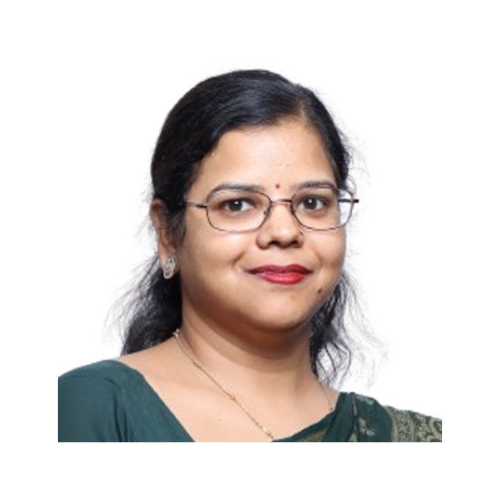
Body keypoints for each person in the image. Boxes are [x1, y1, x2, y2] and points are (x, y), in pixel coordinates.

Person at [58, 69, 442, 442]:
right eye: (237, 204)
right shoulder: (93, 408)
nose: (285, 232)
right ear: (167, 234)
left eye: (312, 202)